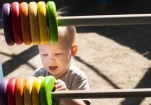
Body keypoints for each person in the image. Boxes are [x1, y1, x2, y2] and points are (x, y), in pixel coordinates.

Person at [33, 26, 90, 105]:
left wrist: (66, 94)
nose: (50, 60)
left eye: (58, 54)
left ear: (73, 51)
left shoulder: (77, 77)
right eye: (44, 54)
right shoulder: (39, 75)